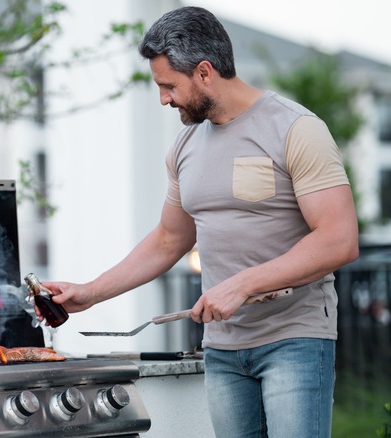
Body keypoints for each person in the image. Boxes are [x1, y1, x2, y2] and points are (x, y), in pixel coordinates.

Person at [40, 6, 359, 438]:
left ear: (205, 73)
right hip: (223, 350)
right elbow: (169, 239)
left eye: (169, 85)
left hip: (295, 340)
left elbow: (338, 240)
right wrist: (92, 292)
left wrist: (243, 284)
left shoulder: (295, 129)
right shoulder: (185, 144)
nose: (163, 98)